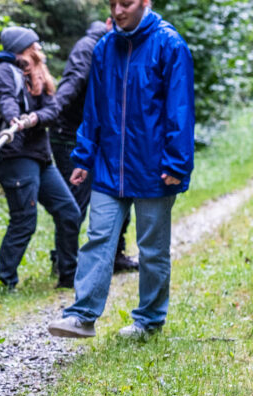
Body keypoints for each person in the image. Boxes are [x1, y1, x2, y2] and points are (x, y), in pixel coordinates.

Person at [48, 0, 195, 339]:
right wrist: (84, 157)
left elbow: (181, 109)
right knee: (98, 237)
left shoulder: (170, 44)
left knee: (153, 249)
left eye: (125, 3)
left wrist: (177, 162)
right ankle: (82, 316)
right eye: (112, 3)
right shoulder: (104, 47)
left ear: (145, 1)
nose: (117, 10)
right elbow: (94, 108)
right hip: (109, 166)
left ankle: (149, 320)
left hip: (155, 168)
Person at [0, 26, 82, 290]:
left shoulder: (38, 75)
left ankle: (68, 275)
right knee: (24, 221)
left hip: (40, 156)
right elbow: (5, 99)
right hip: (15, 156)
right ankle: (5, 283)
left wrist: (36, 118)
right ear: (22, 47)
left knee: (69, 212)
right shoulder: (4, 71)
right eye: (34, 44)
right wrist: (14, 118)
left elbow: (53, 110)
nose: (39, 48)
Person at [51, 20, 139, 274]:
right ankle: (63, 263)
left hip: (104, 139)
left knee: (120, 194)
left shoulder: (123, 47)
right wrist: (54, 108)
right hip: (70, 136)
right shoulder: (89, 46)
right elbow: (74, 79)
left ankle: (115, 256)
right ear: (110, 22)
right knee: (75, 202)